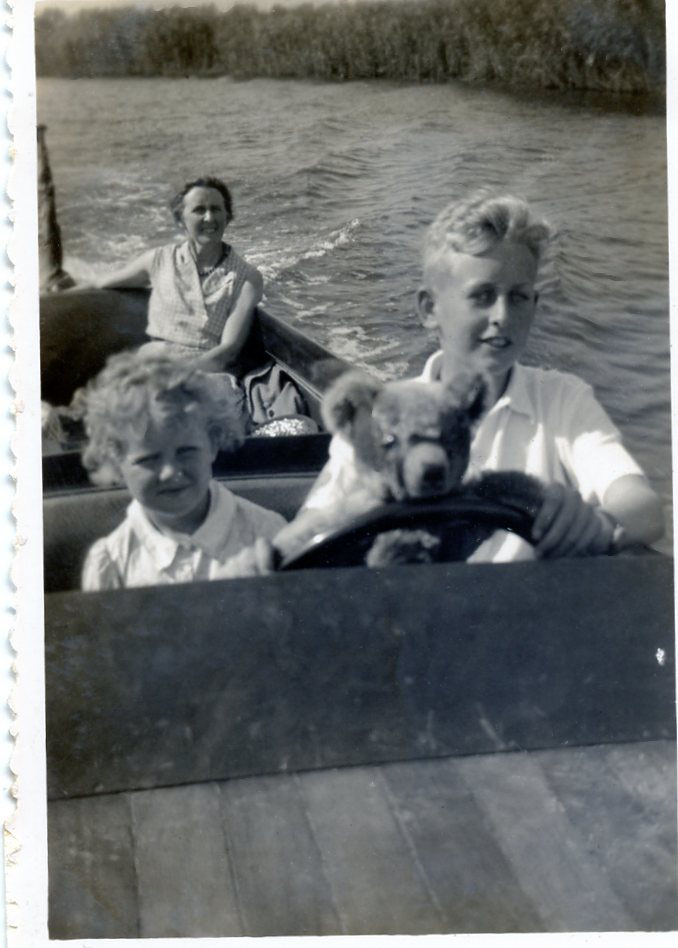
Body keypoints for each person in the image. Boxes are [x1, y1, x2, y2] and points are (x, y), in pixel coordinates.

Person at [297, 190, 664, 561]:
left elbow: (640, 505)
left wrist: (598, 522)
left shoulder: (562, 401)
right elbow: (311, 533)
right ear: (429, 309)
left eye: (518, 297)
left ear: (534, 306)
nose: (502, 316)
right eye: (482, 295)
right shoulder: (379, 414)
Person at [80, 351, 286, 590]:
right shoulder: (113, 561)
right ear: (116, 462)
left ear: (213, 444)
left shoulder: (266, 533)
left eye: (186, 452)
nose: (170, 472)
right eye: (150, 459)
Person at [74, 175, 262, 377]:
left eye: (216, 209)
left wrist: (176, 373)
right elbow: (100, 283)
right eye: (199, 210)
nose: (209, 217)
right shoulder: (158, 260)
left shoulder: (247, 277)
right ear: (181, 219)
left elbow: (229, 351)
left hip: (205, 374)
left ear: (227, 216)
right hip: (152, 364)